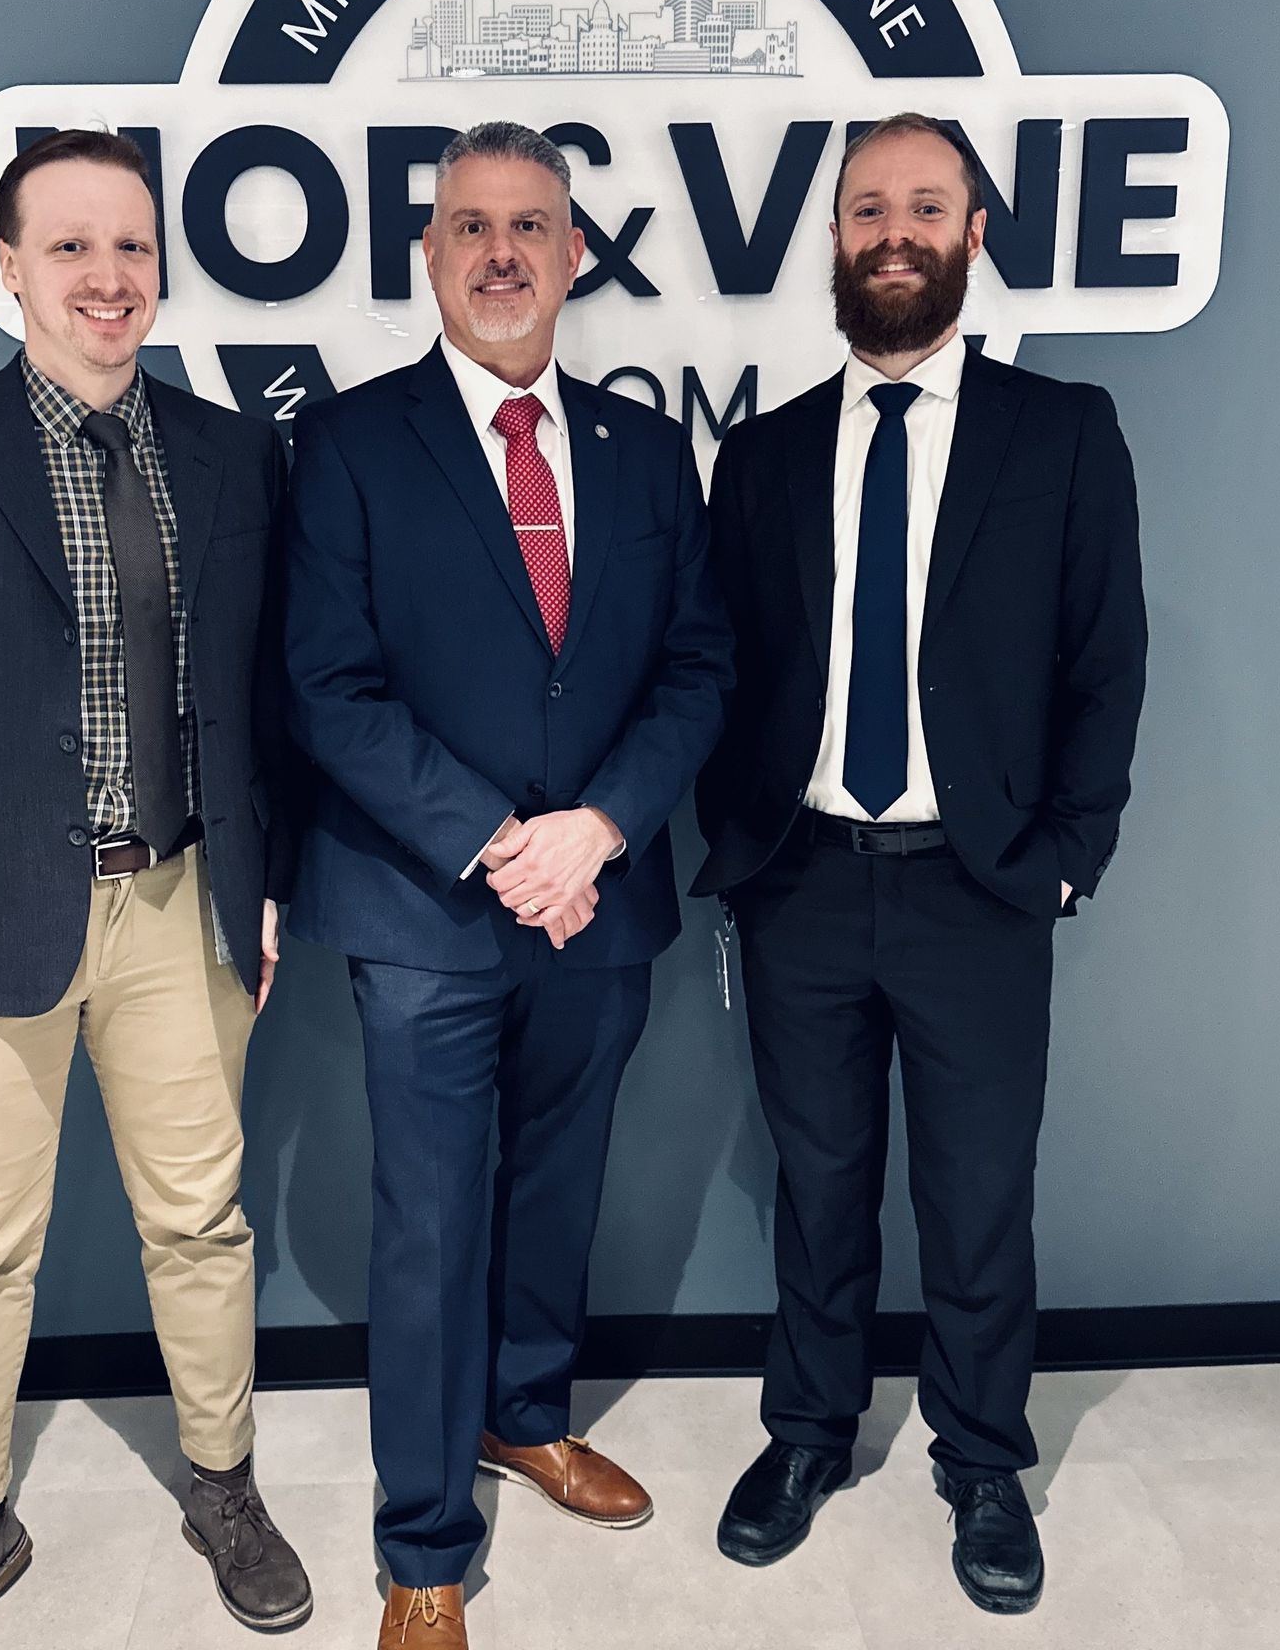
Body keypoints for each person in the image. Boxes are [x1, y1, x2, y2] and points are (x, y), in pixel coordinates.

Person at [0, 130, 311, 1646]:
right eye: (72, 246)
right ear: (9, 267)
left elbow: (264, 702)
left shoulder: (233, 454)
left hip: (183, 905)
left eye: (132, 246)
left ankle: (223, 1484)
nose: (108, 276)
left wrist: (264, 878)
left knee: (201, 1223)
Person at [284, 121, 734, 1647]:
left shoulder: (644, 449)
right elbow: (328, 688)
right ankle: (423, 1547)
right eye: (470, 225)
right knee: (428, 1225)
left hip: (597, 905)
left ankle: (526, 1415)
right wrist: (497, 841)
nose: (500, 253)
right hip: (424, 911)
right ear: (429, 254)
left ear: (573, 253)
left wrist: (597, 829)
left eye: (529, 225)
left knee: (558, 1187)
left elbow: (697, 668)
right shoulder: (349, 445)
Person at [694, 113, 1147, 1613]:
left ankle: (982, 1460)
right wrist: (741, 844)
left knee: (977, 1192)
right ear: (834, 238)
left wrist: (1069, 854)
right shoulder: (761, 455)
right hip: (805, 882)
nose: (896, 232)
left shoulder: (1061, 432)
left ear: (972, 234)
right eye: (868, 208)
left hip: (981, 885)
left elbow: (1105, 659)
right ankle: (809, 1435)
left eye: (927, 207)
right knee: (818, 1183)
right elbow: (718, 670)